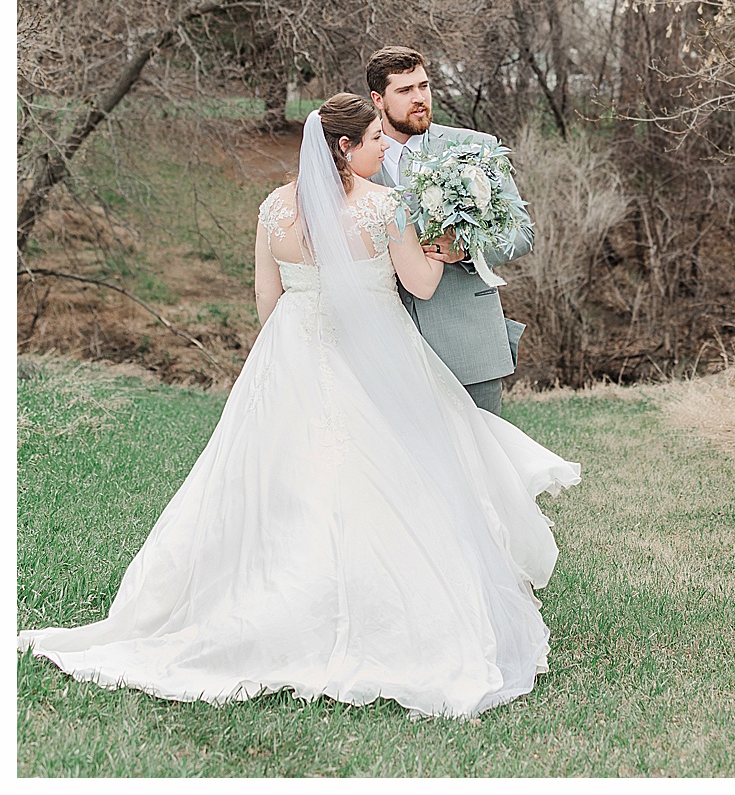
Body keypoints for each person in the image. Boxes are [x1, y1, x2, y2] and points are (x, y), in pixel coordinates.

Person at [19, 94, 579, 717]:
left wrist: (287, 344)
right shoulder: (385, 207)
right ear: (345, 147)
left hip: (290, 349)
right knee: (396, 471)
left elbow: (266, 297)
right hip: (373, 351)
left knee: (284, 479)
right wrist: (445, 246)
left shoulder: (274, 209)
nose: (380, 151)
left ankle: (270, 597)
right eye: (372, 141)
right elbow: (418, 284)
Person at [365, 46, 533, 415]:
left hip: (468, 336)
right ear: (378, 99)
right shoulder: (354, 160)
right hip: (385, 343)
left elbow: (522, 234)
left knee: (483, 461)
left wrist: (466, 248)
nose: (419, 98)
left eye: (423, 86)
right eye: (405, 91)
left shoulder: (475, 148)